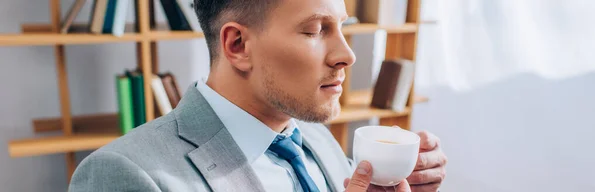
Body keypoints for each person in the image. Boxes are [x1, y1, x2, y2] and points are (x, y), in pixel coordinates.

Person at [68, 0, 447, 191]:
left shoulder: (312, 136)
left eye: (342, 28)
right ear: (237, 44)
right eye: (316, 29)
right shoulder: (122, 175)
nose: (347, 54)